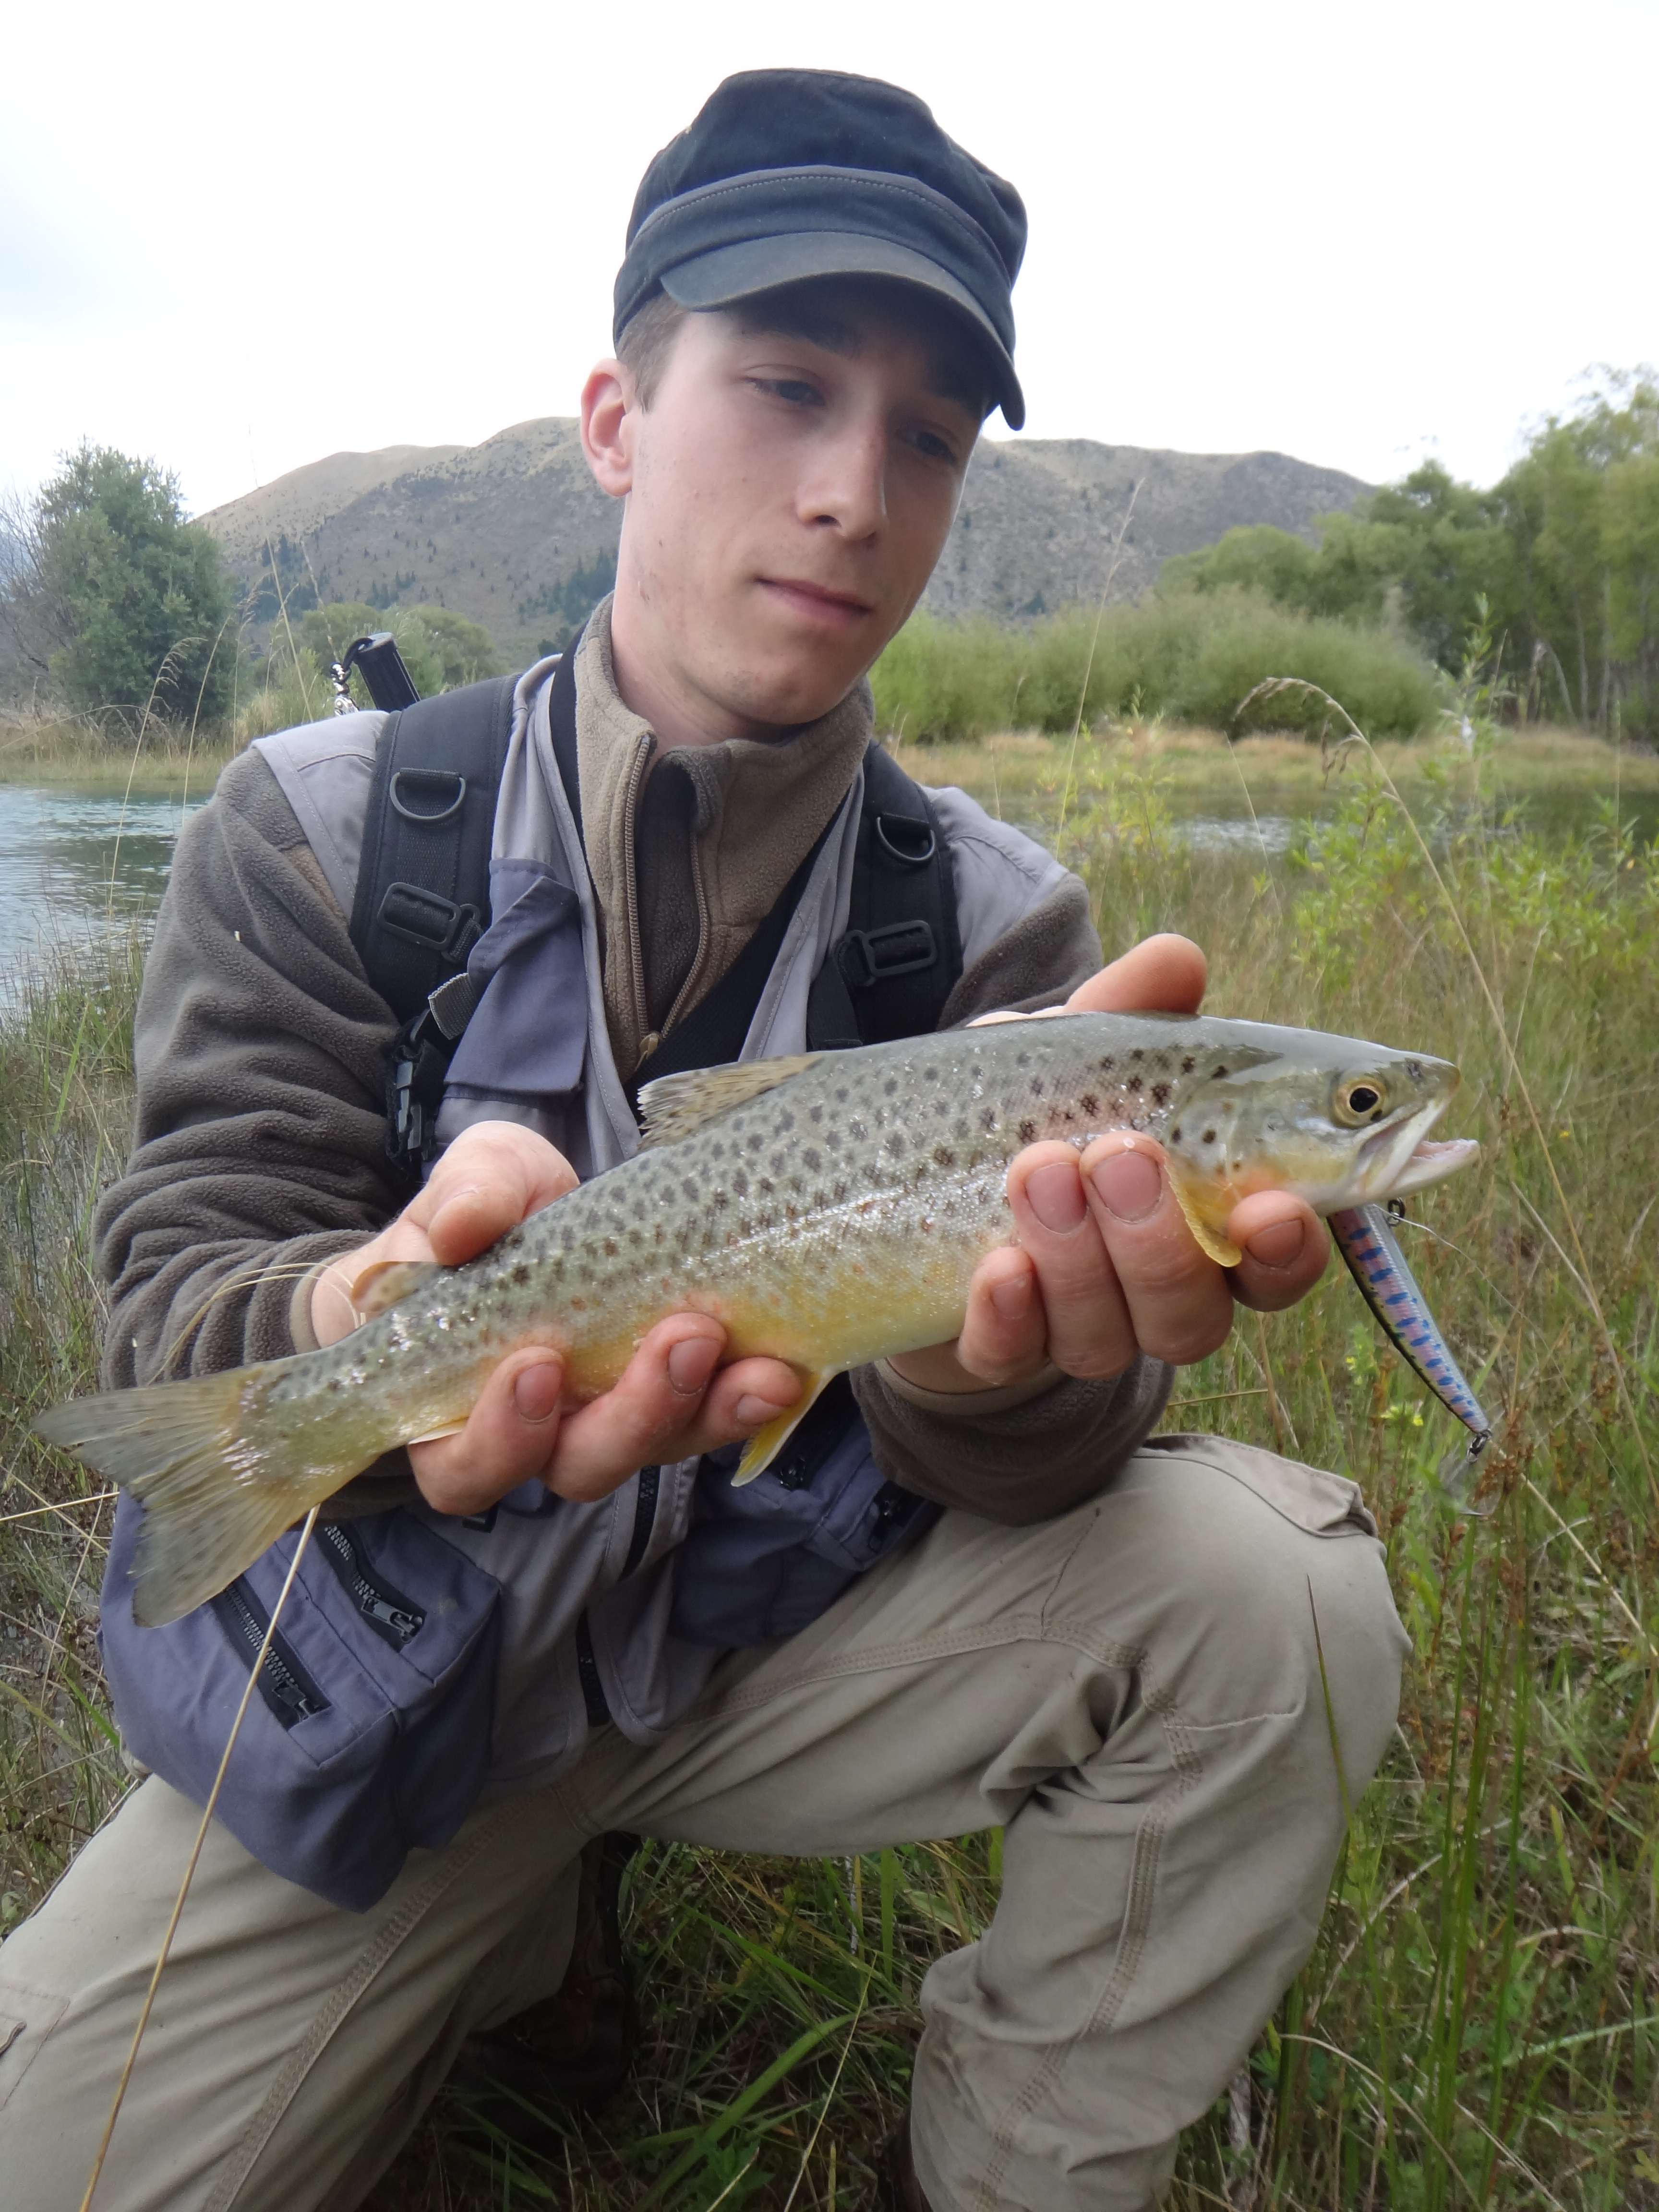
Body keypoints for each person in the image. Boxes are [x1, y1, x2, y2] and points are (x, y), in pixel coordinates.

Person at [0, 68, 1406, 2212]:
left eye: (928, 436)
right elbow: (177, 1279)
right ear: (614, 418)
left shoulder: (1002, 925)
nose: (857, 489)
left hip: (776, 1649)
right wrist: (357, 1326)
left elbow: (1025, 1473)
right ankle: (512, 1937)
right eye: (785, 386)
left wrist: (978, 1362)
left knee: (1274, 1592)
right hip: (411, 1674)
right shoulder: (326, 829)